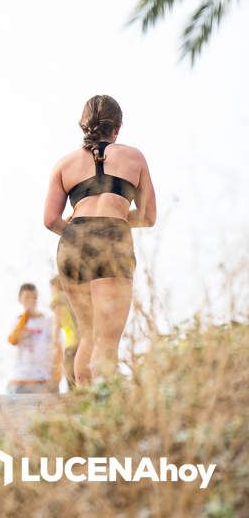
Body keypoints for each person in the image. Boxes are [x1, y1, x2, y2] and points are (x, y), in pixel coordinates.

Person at [43, 95, 156, 385]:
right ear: (117, 127)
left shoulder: (64, 164)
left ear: (83, 126)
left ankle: (82, 407)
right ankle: (102, 414)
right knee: (107, 341)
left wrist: (78, 223)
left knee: (88, 336)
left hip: (73, 241)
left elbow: (50, 219)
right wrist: (116, 217)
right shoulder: (134, 157)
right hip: (112, 238)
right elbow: (148, 215)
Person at [6, 283, 61, 394]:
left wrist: (55, 378)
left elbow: (58, 347)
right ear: (20, 299)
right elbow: (12, 340)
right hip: (19, 379)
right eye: (27, 297)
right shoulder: (17, 321)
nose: (31, 301)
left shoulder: (47, 321)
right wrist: (25, 317)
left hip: (42, 379)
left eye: (34, 297)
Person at [50, 275, 78, 391]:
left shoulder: (58, 299)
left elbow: (56, 324)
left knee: (71, 383)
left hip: (71, 344)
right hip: (84, 342)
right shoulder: (75, 298)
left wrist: (55, 344)